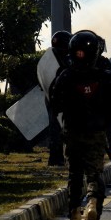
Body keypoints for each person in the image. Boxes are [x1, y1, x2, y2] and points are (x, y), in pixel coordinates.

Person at [49, 30, 111, 220]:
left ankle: (74, 216)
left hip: (72, 130)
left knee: (74, 173)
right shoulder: (106, 77)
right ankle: (92, 203)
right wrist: (103, 120)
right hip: (96, 131)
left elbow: (54, 102)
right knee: (94, 173)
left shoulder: (65, 76)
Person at [37, 30, 71, 166]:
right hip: (60, 97)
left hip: (52, 97)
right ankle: (57, 157)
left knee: (55, 127)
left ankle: (56, 158)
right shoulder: (66, 58)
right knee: (60, 128)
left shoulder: (47, 57)